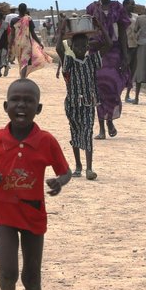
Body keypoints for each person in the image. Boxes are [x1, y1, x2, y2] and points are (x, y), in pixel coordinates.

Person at [0, 79, 72, 290]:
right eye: (16, 100)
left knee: (32, 276)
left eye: (28, 101)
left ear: (38, 108)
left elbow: (64, 170)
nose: (21, 105)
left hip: (33, 214)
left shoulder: (46, 141)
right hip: (4, 214)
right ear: (6, 105)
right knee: (8, 273)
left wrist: (60, 182)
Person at [55, 18, 111, 180]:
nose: (80, 49)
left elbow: (108, 45)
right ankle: (78, 165)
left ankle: (89, 168)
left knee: (87, 133)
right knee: (75, 133)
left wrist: (100, 26)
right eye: (77, 46)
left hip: (87, 103)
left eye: (84, 46)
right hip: (72, 104)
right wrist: (62, 31)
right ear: (71, 47)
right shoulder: (70, 61)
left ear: (88, 47)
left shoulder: (92, 60)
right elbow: (59, 48)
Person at [86, 0, 130, 139]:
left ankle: (110, 119)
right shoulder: (91, 8)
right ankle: (102, 128)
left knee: (113, 87)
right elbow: (87, 32)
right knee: (98, 90)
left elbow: (123, 33)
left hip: (114, 52)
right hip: (96, 53)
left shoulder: (118, 7)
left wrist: (125, 56)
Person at [8, 3, 50, 79]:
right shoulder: (28, 19)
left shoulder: (13, 20)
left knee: (21, 61)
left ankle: (22, 77)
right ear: (26, 10)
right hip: (26, 44)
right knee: (25, 62)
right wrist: (39, 42)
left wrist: (10, 46)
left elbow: (12, 35)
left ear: (18, 9)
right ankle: (23, 78)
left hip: (17, 44)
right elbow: (33, 33)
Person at [123, 0, 138, 103]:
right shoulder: (119, 17)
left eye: (134, 4)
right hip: (124, 47)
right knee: (122, 71)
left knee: (132, 72)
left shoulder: (136, 17)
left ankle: (127, 95)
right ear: (125, 5)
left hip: (134, 46)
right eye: (131, 4)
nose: (133, 6)